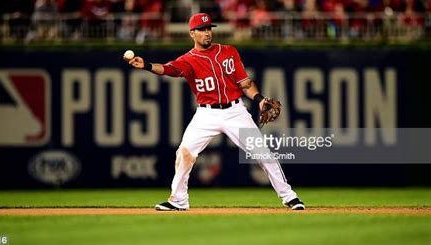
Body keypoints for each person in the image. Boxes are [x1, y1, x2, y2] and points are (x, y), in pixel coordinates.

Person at [125, 13, 305, 211]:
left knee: (263, 153)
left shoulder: (228, 51)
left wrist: (260, 99)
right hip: (206, 114)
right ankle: (178, 200)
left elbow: (245, 83)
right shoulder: (189, 60)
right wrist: (147, 66)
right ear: (192, 33)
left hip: (236, 111)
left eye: (209, 28)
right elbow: (168, 69)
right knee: (184, 153)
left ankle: (290, 197)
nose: (207, 32)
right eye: (202, 29)